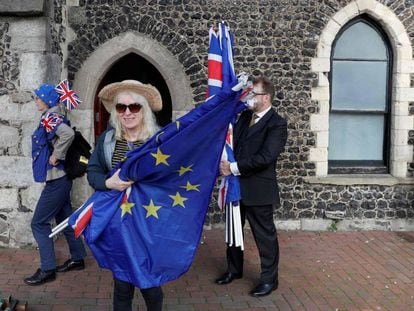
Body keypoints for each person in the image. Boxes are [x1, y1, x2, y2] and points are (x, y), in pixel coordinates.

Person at [87, 80, 163, 311]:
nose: (128, 112)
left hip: (149, 221)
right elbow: (93, 170)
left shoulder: (159, 141)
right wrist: (107, 182)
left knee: (150, 283)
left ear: (144, 110)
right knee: (122, 283)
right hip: (118, 223)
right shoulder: (108, 140)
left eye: (134, 107)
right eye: (121, 107)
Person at [215, 76, 287, 297]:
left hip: (258, 190)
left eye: (252, 94)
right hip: (235, 187)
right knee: (233, 231)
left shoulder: (277, 124)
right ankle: (234, 270)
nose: (248, 97)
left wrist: (233, 167)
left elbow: (266, 157)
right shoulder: (244, 117)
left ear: (265, 97)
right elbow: (231, 143)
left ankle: (269, 280)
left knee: (264, 236)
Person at [24, 83, 87, 286]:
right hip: (60, 179)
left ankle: (47, 269)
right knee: (65, 219)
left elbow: (67, 134)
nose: (36, 101)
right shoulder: (53, 114)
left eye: (38, 98)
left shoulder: (50, 117)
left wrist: (56, 155)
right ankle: (78, 258)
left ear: (48, 100)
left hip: (57, 180)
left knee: (39, 223)